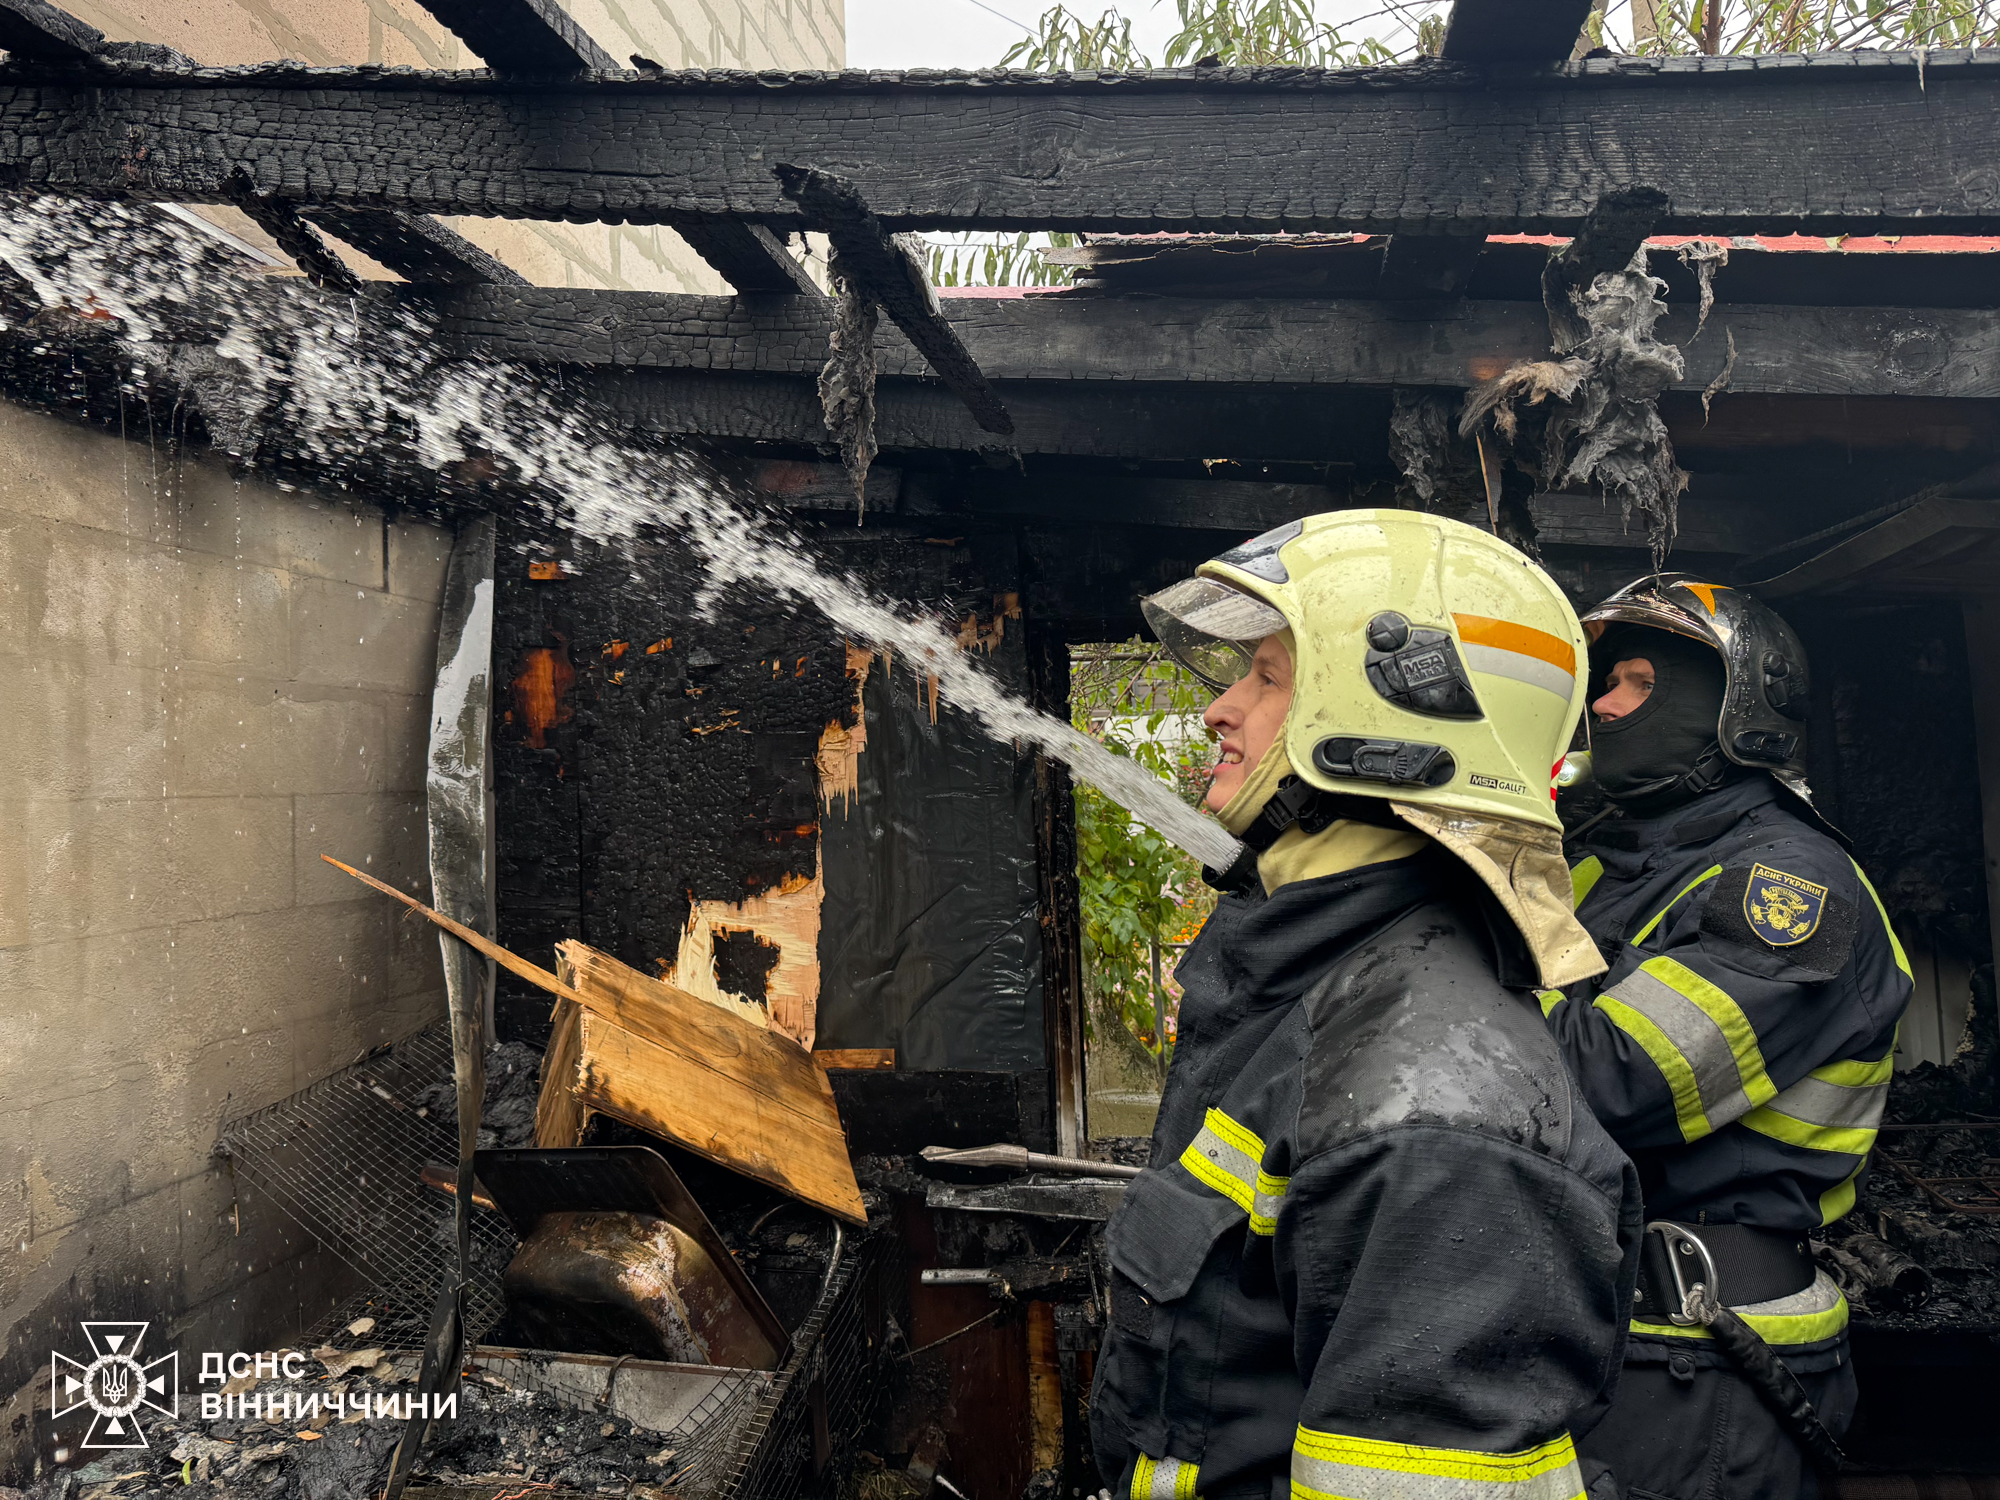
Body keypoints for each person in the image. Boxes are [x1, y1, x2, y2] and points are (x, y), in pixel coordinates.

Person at [1092, 510, 1642, 1500]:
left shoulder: (1427, 1108)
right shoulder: (1313, 989)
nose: (1222, 710)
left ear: (1391, 725)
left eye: (1265, 677)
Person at [1543, 575, 1913, 1500]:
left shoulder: (1789, 887)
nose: (1603, 706)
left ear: (1736, 710)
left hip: (1708, 1353)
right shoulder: (1605, 859)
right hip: (1610, 1329)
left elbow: (1619, 1077)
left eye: (1635, 683)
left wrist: (1453, 993)